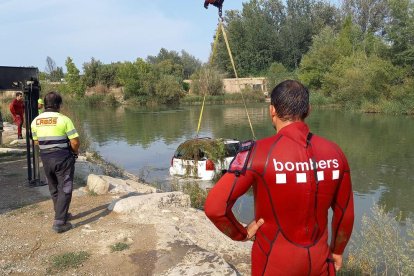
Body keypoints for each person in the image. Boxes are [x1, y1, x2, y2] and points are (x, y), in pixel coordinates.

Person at [204, 80, 354, 275]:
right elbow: (345, 214)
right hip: (320, 261)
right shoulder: (335, 152)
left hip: (273, 262)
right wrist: (337, 251)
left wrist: (241, 234)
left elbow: (215, 208)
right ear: (308, 110)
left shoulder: (255, 152)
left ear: (272, 110)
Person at [31, 91, 80, 233]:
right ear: (59, 105)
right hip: (63, 158)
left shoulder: (36, 121)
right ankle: (59, 223)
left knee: (54, 188)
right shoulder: (64, 119)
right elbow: (75, 142)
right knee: (65, 188)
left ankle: (61, 213)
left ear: (45, 105)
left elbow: (35, 141)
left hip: (46, 159)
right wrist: (75, 152)